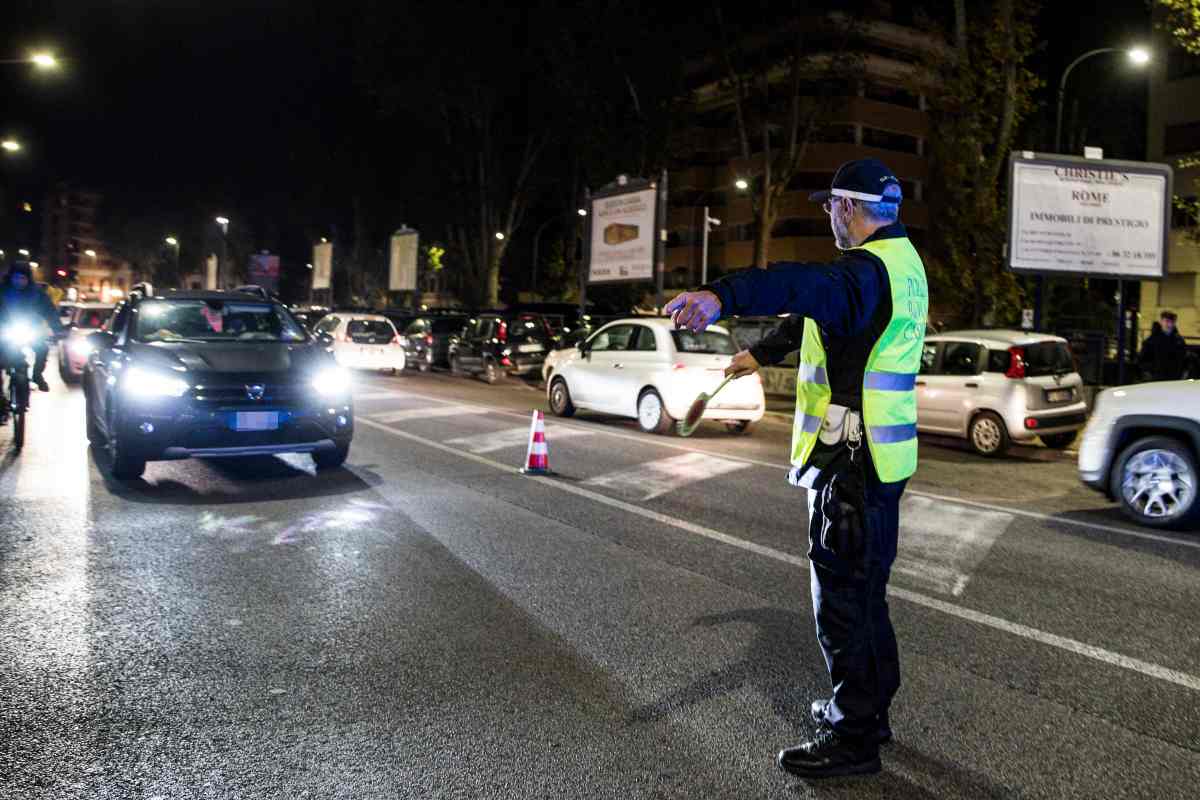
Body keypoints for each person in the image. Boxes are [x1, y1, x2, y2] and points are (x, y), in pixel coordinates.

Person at [665, 158, 927, 780]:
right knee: (869, 596)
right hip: (884, 460)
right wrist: (758, 352)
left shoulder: (861, 273)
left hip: (850, 464)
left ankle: (852, 738)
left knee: (840, 601)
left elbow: (802, 287)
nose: (828, 217)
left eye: (830, 206)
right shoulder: (903, 265)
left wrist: (719, 295)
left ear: (848, 207)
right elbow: (816, 316)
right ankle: (869, 711)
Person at [0, 261, 65, 393]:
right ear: (11, 277)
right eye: (16, 277)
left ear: (28, 279)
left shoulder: (36, 294)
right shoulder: (2, 291)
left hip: (30, 331)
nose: (19, 281)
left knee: (42, 349)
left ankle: (37, 375)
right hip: (4, 332)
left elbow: (49, 311)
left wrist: (58, 328)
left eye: (22, 278)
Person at [1138, 312, 1187, 382]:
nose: (1168, 324)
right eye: (1166, 321)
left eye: (1171, 322)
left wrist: (1183, 373)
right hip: (1156, 380)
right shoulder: (1151, 341)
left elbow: (1184, 359)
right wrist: (1152, 372)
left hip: (1175, 380)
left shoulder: (1179, 341)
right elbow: (1142, 360)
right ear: (1161, 322)